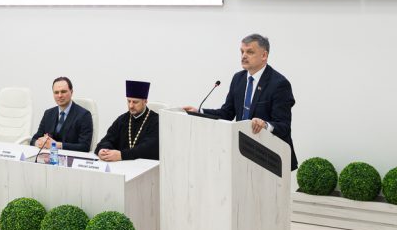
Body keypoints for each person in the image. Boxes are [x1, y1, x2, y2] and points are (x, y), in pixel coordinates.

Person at [184, 33, 297, 170]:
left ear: (264, 55)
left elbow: (284, 126)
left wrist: (265, 125)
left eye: (250, 52)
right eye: (242, 51)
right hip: (243, 151)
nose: (244, 56)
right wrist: (199, 112)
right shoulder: (238, 79)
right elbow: (227, 113)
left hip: (270, 157)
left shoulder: (279, 84)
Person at [95, 80, 159, 161]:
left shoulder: (156, 121)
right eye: (129, 101)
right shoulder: (122, 119)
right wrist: (103, 150)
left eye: (135, 102)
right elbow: (107, 140)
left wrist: (122, 155)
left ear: (145, 101)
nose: (131, 106)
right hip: (121, 166)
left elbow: (148, 148)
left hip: (146, 166)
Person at [30, 77, 93, 152]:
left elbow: (85, 147)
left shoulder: (84, 115)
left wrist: (57, 145)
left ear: (71, 92)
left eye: (63, 92)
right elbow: (34, 139)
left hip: (71, 157)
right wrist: (38, 143)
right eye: (56, 92)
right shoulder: (48, 113)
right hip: (48, 156)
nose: (59, 95)